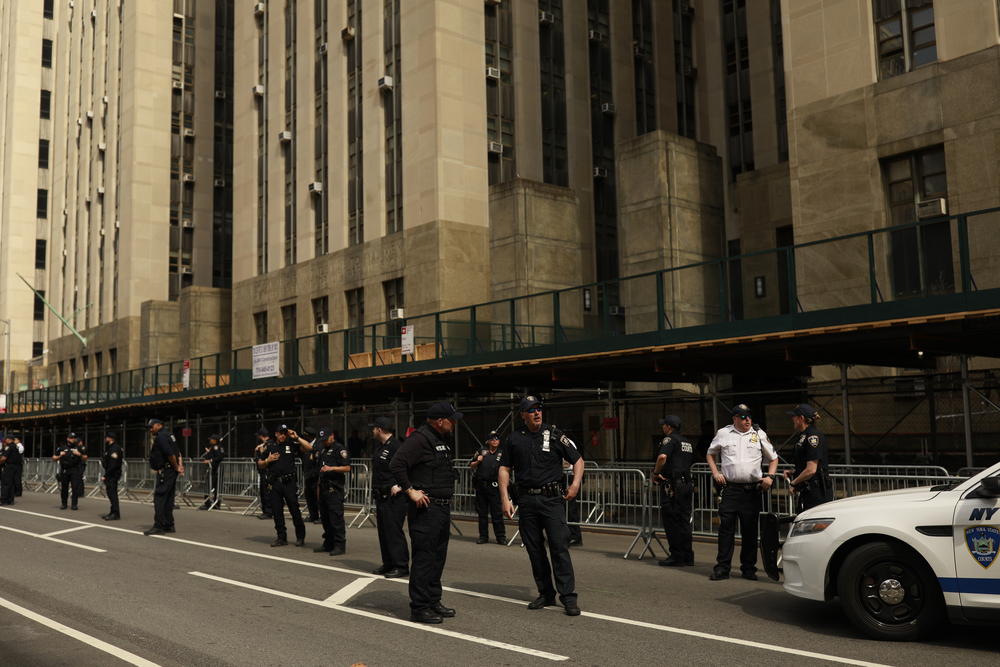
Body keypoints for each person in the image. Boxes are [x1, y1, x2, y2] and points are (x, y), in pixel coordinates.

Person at [499, 396, 583, 616]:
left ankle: (568, 597)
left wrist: (575, 484)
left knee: (559, 546)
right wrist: (504, 498)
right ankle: (545, 593)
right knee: (535, 550)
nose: (537, 413)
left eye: (539, 409)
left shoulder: (555, 435)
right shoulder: (514, 438)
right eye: (531, 410)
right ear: (523, 415)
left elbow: (578, 460)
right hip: (526, 501)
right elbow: (504, 469)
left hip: (551, 500)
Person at [389, 402, 461, 624]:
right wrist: (410, 491)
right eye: (452, 419)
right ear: (440, 421)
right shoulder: (420, 439)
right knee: (424, 558)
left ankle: (432, 600)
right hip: (426, 510)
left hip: (440, 507)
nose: (454, 423)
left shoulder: (440, 439)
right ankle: (419, 608)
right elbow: (397, 464)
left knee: (437, 557)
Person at [706, 403, 778, 581]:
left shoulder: (758, 434)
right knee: (726, 529)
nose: (747, 420)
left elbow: (774, 458)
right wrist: (716, 473)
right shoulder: (724, 433)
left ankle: (748, 568)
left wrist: (770, 476)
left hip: (751, 490)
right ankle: (722, 568)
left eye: (749, 417)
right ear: (735, 418)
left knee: (750, 531)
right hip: (730, 489)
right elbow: (710, 453)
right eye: (743, 417)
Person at [651, 416, 695, 567]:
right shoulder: (687, 442)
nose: (662, 427)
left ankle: (676, 555)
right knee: (684, 521)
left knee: (671, 521)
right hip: (686, 484)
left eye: (664, 425)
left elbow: (662, 457)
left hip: (673, 485)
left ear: (669, 427)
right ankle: (688, 556)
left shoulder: (669, 440)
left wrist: (656, 473)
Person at [258, 424, 311, 547]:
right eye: (280, 433)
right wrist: (267, 460)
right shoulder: (269, 446)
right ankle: (281, 537)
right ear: (276, 434)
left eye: (284, 433)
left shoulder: (292, 444)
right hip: (275, 483)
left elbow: (309, 448)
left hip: (289, 483)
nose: (282, 435)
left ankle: (300, 537)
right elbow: (260, 463)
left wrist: (296, 437)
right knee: (277, 511)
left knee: (294, 510)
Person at [370, 416, 409, 578]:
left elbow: (409, 466)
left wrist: (400, 485)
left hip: (395, 497)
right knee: (384, 532)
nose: (372, 431)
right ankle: (388, 563)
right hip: (382, 495)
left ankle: (401, 565)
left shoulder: (396, 446)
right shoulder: (381, 446)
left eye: (374, 428)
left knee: (393, 531)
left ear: (380, 429)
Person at [784, 404, 832, 512]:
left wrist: (794, 483)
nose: (792, 419)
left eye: (794, 417)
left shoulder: (813, 436)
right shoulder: (804, 435)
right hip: (808, 491)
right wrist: (794, 472)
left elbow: (811, 470)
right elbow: (806, 463)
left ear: (801, 418)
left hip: (817, 492)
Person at [144, 418, 184, 535]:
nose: (150, 430)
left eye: (151, 427)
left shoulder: (161, 436)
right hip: (170, 470)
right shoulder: (169, 435)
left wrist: (177, 466)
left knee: (160, 498)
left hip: (166, 471)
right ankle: (168, 524)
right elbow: (178, 452)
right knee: (168, 498)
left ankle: (159, 526)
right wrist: (179, 466)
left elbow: (170, 454)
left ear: (158, 425)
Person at [314, 428, 350, 555]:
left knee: (336, 518)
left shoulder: (339, 449)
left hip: (334, 488)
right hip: (323, 487)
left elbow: (347, 467)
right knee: (325, 518)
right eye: (322, 440)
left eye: (326, 439)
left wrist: (332, 468)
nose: (324, 442)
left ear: (332, 436)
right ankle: (328, 543)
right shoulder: (322, 449)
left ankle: (340, 545)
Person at [469, 431, 506, 545]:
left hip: (495, 486)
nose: (495, 440)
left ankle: (501, 537)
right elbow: (471, 465)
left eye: (497, 439)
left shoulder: (502, 453)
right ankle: (483, 536)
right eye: (492, 439)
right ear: (488, 441)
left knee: (497, 513)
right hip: (481, 486)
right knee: (482, 513)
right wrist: (477, 461)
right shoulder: (482, 451)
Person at [53, 432, 88, 510]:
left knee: (75, 488)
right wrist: (60, 456)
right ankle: (64, 504)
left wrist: (79, 454)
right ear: (68, 439)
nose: (73, 439)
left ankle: (74, 504)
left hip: (75, 470)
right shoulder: (62, 448)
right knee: (64, 488)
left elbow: (85, 457)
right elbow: (54, 458)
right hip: (65, 470)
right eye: (71, 438)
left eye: (74, 438)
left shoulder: (79, 448)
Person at [198, 434, 225, 510]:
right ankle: (217, 504)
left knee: (208, 487)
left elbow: (219, 457)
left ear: (215, 440)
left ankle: (208, 504)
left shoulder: (216, 447)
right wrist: (209, 452)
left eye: (211, 439)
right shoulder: (219, 447)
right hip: (217, 471)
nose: (210, 440)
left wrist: (210, 460)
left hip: (214, 470)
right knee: (217, 488)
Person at [100, 432, 123, 520]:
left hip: (112, 474)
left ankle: (115, 513)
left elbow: (113, 464)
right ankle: (112, 511)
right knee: (110, 493)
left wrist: (106, 475)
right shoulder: (109, 448)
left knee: (113, 494)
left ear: (111, 438)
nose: (105, 439)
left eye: (107, 437)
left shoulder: (115, 448)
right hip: (110, 473)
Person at [300, 428, 322, 523]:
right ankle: (313, 515)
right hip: (308, 474)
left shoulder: (318, 444)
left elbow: (318, 459)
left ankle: (322, 516)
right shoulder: (306, 445)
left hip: (316, 475)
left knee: (318, 496)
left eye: (306, 436)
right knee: (309, 496)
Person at [252, 427, 273, 519]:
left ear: (261, 436)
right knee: (264, 492)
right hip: (264, 472)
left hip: (267, 472)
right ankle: (266, 510)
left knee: (266, 492)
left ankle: (268, 512)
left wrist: (260, 452)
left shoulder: (269, 444)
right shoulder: (264, 444)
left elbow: (265, 458)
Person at [0, 433, 23, 505]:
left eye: (6, 439)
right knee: (12, 484)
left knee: (6, 483)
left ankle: (4, 500)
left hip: (9, 467)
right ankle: (10, 500)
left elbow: (4, 458)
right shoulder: (16, 446)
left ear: (9, 439)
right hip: (16, 467)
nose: (5, 440)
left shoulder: (9, 447)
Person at [12, 433, 24, 497]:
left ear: (18, 440)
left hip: (18, 464)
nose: (14, 441)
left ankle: (18, 492)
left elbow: (19, 452)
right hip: (15, 464)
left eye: (15, 440)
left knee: (17, 479)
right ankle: (14, 491)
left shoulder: (20, 446)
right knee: (14, 478)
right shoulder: (14, 446)